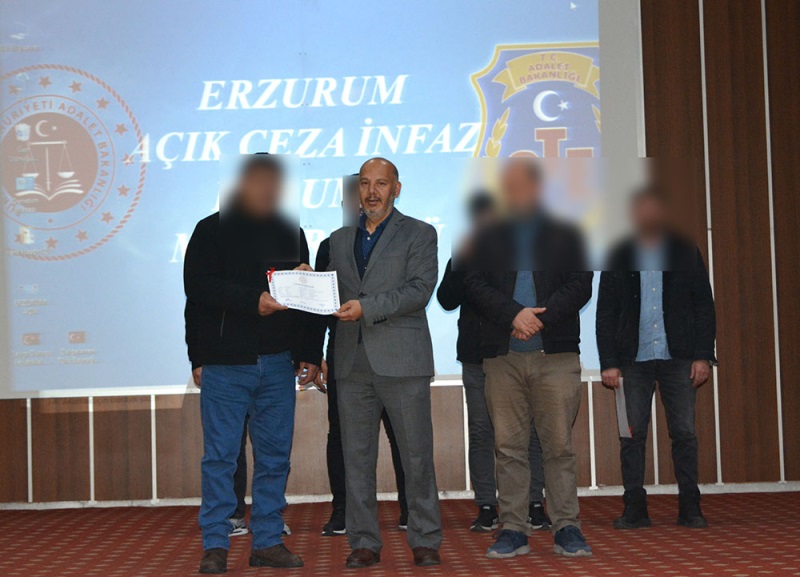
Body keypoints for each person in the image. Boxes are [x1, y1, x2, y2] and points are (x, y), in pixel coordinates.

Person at [184, 153, 324, 574]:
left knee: (275, 457)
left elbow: (304, 296)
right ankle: (215, 545)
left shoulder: (289, 232)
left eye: (274, 182)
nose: (268, 188)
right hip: (225, 364)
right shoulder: (210, 230)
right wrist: (200, 354)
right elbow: (198, 289)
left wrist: (309, 352)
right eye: (259, 180)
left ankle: (267, 541)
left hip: (279, 364)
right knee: (220, 459)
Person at [465, 158, 593, 559]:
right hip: (502, 358)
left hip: (555, 355)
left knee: (559, 447)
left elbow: (581, 284)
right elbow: (472, 284)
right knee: (508, 449)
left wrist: (540, 318)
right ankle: (513, 529)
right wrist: (512, 315)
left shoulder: (567, 232)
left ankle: (566, 526)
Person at [326, 157, 442, 569]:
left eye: (380, 183)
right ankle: (363, 541)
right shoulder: (339, 239)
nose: (371, 191)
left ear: (396, 188)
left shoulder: (420, 233)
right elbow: (332, 294)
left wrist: (367, 308)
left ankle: (425, 538)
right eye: (364, 183)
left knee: (416, 457)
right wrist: (307, 280)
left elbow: (419, 291)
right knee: (356, 459)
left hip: (403, 362)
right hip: (351, 363)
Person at [596, 185, 716, 530]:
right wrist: (608, 362)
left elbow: (703, 306)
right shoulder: (619, 254)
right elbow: (605, 313)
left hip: (679, 357)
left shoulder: (684, 250)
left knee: (684, 434)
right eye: (642, 209)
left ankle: (690, 507)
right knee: (631, 436)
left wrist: (703, 356)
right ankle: (635, 508)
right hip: (631, 360)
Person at [436, 192, 551, 533]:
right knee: (482, 431)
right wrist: (460, 262)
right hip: (477, 356)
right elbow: (446, 300)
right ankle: (486, 504)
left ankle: (534, 502)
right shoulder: (467, 253)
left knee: (530, 432)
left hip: (514, 352)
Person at [315, 174, 409, 537]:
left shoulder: (404, 240)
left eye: (373, 191)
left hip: (394, 354)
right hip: (345, 355)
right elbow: (319, 307)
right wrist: (314, 355)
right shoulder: (331, 244)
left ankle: (409, 508)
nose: (362, 201)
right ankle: (343, 510)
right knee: (342, 436)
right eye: (353, 198)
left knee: (402, 434)